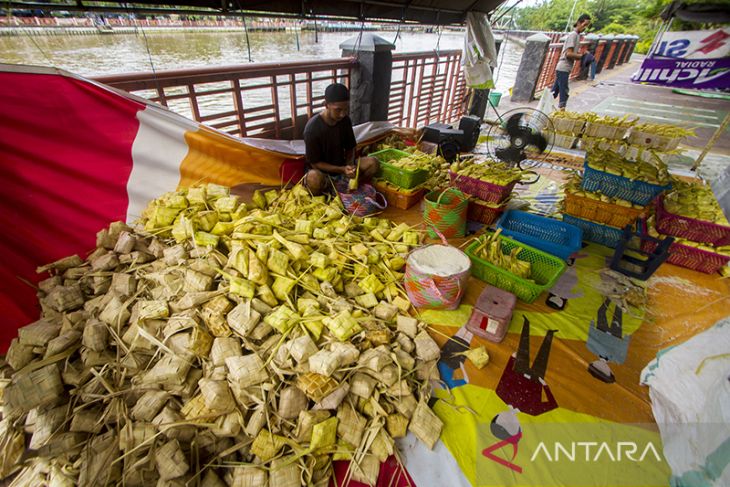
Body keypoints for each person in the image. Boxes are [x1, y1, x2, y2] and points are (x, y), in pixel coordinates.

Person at [303, 83, 379, 196]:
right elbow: (315, 163)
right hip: (324, 173)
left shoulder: (345, 120)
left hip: (342, 168)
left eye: (346, 109)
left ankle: (348, 189)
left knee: (373, 163)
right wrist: (342, 169)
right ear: (326, 105)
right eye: (338, 110)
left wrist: (350, 165)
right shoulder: (312, 129)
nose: (343, 114)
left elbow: (350, 147)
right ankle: (327, 193)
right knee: (314, 178)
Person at [551, 13, 592, 110]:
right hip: (563, 67)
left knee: (554, 92)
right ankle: (561, 112)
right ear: (578, 23)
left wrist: (581, 55)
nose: (585, 27)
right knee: (564, 92)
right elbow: (568, 54)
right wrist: (582, 56)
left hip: (566, 68)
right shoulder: (573, 35)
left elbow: (572, 53)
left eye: (587, 25)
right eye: (584, 25)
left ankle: (543, 107)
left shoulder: (577, 36)